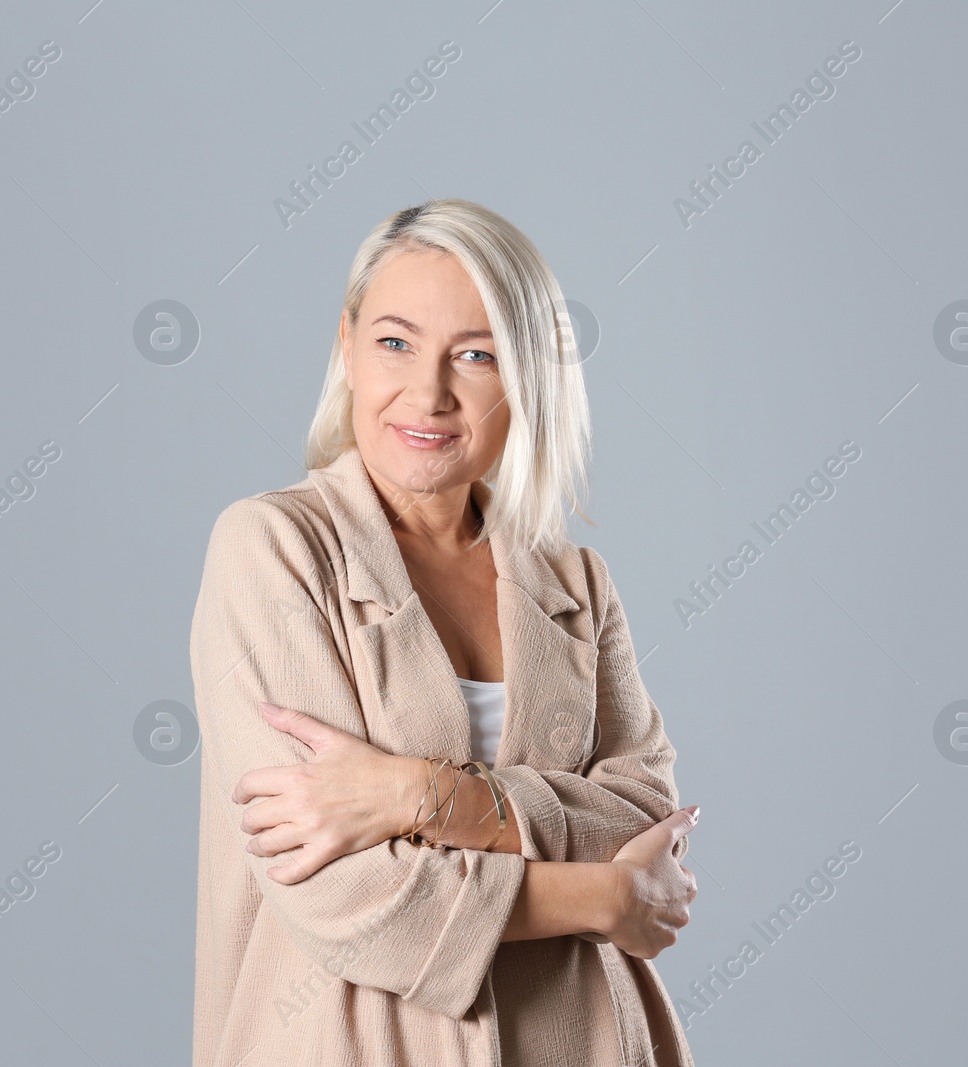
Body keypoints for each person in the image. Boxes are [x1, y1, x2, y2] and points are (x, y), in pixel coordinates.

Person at [190, 198, 700, 1067]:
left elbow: (643, 814)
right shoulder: (271, 548)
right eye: (394, 342)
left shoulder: (576, 582)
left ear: (526, 377)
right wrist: (605, 897)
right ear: (345, 346)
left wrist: (413, 795)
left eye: (476, 355)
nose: (427, 393)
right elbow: (347, 895)